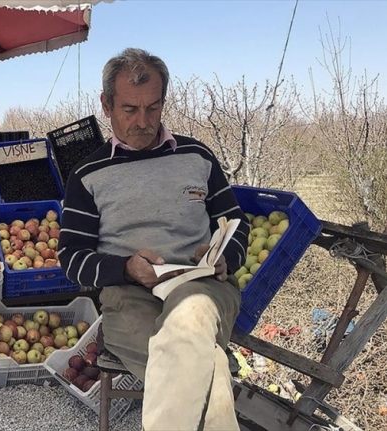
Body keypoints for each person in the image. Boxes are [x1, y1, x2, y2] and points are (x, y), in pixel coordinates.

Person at [58, 48, 250, 430]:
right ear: (106, 105)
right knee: (199, 363)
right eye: (130, 110)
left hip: (201, 284)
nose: (142, 122)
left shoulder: (198, 156)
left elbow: (236, 223)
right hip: (128, 294)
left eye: (153, 108)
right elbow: (72, 258)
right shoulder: (87, 174)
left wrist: (226, 253)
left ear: (164, 102)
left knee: (188, 322)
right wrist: (125, 269)